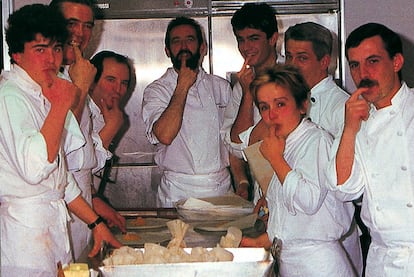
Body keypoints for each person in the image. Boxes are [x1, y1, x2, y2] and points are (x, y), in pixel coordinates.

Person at [0, 4, 121, 276]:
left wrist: (95, 223)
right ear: (17, 54)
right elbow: (34, 169)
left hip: (50, 234)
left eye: (55, 49)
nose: (51, 59)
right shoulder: (10, 96)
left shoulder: (40, 92)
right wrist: (61, 105)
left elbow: (61, 178)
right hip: (24, 244)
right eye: (40, 50)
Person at [240, 65, 354, 276]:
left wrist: (274, 159)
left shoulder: (316, 141)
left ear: (302, 105)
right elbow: (291, 223)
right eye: (264, 107)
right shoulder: (286, 144)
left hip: (318, 265)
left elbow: (308, 201)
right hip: (294, 263)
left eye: (280, 104)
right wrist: (260, 242)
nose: (271, 115)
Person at [326, 22, 414, 276]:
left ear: (396, 62)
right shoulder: (357, 122)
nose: (362, 73)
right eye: (354, 65)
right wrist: (350, 129)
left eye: (372, 61)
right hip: (381, 259)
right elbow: (344, 187)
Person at [284, 22, 363, 276]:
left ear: (325, 61)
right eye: (289, 56)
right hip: (293, 234)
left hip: (331, 239)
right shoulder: (286, 102)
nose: (292, 65)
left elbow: (344, 183)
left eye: (302, 58)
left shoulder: (342, 108)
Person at [50, 0, 126, 260]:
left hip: (82, 214)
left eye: (87, 26)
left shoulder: (71, 78)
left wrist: (95, 204)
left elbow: (78, 164)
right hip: (53, 220)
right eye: (71, 24)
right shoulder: (44, 83)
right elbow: (56, 152)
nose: (79, 34)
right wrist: (81, 87)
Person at [142, 16, 233, 207]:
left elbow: (232, 141)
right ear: (167, 51)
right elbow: (165, 135)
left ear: (202, 48)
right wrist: (182, 85)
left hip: (220, 188)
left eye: (190, 39)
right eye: (176, 41)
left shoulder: (221, 88)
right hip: (177, 190)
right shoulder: (156, 90)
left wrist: (242, 181)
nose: (183, 46)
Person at [221, 2, 279, 202]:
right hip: (262, 192)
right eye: (241, 40)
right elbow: (235, 145)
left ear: (273, 38)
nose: (246, 48)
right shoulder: (242, 86)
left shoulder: (291, 80)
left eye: (254, 39)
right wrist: (248, 93)